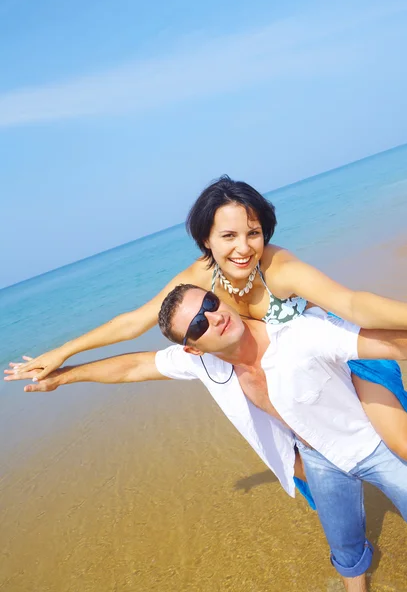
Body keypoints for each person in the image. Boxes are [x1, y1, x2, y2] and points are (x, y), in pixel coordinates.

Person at [6, 284, 407, 592]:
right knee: (344, 543)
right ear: (192, 349)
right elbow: (133, 367)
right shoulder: (207, 366)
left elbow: (382, 340)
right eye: (198, 325)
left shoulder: (297, 332)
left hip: (370, 443)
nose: (213, 318)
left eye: (210, 304)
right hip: (318, 458)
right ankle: (357, 580)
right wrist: (63, 375)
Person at [11, 176, 407, 465]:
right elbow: (134, 323)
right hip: (286, 386)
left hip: (339, 355)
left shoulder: (277, 265)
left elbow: (353, 303)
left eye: (254, 233)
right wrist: (63, 354)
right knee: (304, 465)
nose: (244, 247)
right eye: (229, 236)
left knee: (398, 444)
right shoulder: (200, 277)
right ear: (207, 239)